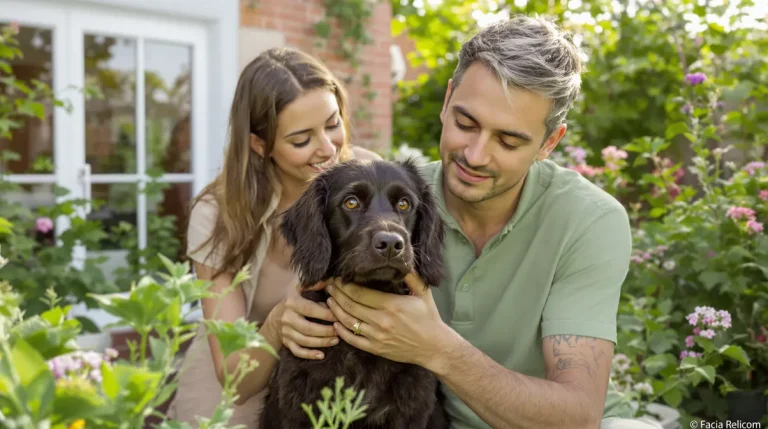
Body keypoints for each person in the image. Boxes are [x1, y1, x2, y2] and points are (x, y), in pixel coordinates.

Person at [278, 15, 664, 429]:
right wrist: (281, 319)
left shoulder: (589, 220)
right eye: (466, 123)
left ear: (549, 143)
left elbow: (577, 416)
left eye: (508, 140)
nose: (476, 155)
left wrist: (437, 348)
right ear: (447, 102)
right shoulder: (403, 200)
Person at [166, 47, 381, 427]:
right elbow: (234, 378)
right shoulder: (218, 213)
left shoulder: (369, 178)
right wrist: (280, 321)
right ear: (260, 145)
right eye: (301, 140)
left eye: (332, 124)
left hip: (329, 379)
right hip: (239, 384)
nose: (329, 149)